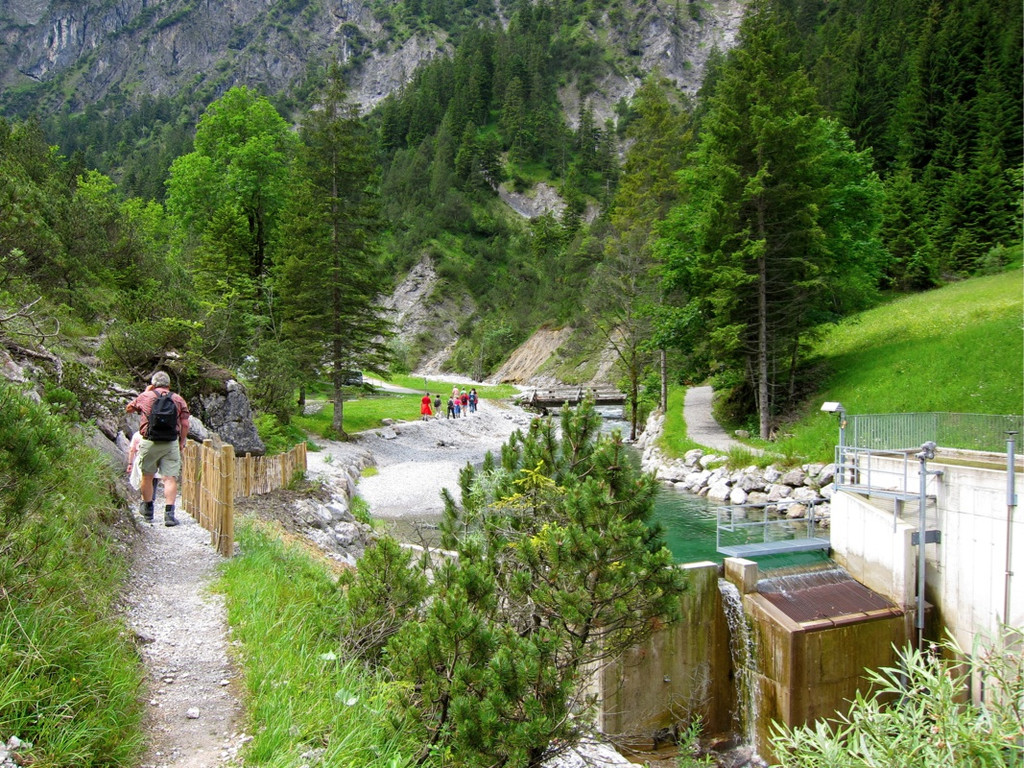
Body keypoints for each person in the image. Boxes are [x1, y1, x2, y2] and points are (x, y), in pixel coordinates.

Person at [126, 371, 191, 527]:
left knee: (147, 476)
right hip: (170, 442)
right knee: (169, 478)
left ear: (153, 384)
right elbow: (185, 423)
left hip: (149, 441)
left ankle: (148, 511)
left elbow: (129, 408)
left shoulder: (146, 396)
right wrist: (181, 441)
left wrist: (146, 392)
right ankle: (169, 515)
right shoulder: (178, 399)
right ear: (169, 384)